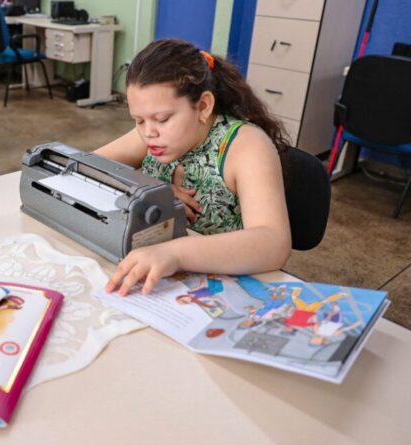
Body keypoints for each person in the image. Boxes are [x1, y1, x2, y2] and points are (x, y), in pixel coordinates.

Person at [100, 39, 292, 296]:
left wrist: (175, 253)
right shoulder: (153, 133)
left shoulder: (245, 146)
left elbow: (274, 244)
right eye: (138, 120)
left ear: (203, 107)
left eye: (163, 119)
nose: (148, 133)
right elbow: (87, 167)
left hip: (222, 287)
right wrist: (153, 191)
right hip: (157, 271)